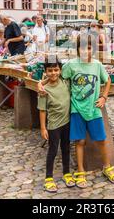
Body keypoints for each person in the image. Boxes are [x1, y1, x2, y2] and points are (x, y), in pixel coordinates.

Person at [42, 34, 114, 188]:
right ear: (77, 49)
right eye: (82, 47)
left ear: (94, 49)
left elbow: (108, 80)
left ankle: (107, 167)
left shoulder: (97, 65)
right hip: (77, 109)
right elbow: (57, 77)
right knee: (80, 141)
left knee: (101, 140)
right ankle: (81, 170)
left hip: (94, 110)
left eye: (89, 48)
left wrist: (104, 96)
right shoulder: (71, 65)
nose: (86, 51)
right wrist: (41, 83)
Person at [37, 57, 75, 193]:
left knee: (66, 149)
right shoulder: (44, 90)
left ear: (60, 70)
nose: (53, 73)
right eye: (50, 70)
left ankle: (66, 173)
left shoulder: (65, 82)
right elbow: (42, 110)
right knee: (52, 151)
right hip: (54, 125)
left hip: (67, 123)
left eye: (56, 70)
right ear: (45, 71)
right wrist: (43, 128)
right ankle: (48, 178)